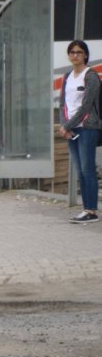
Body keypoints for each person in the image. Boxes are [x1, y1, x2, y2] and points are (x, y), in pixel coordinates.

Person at [59, 39, 101, 223]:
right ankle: (86, 209)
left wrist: (67, 126)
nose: (75, 55)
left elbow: (86, 105)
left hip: (87, 128)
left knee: (87, 169)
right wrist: (65, 125)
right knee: (80, 170)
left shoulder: (90, 75)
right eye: (71, 52)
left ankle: (91, 210)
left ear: (85, 54)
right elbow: (63, 104)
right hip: (71, 129)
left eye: (78, 52)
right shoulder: (67, 76)